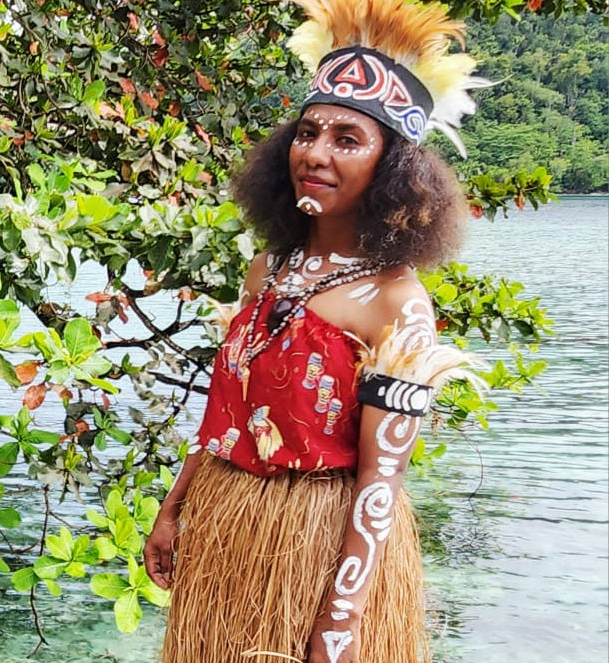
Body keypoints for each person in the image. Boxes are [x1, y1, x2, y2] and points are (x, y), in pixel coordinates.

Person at [142, 1, 488, 662]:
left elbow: (379, 485)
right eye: (308, 133)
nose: (316, 154)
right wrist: (172, 507)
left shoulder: (397, 302)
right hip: (227, 518)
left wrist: (339, 624)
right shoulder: (267, 270)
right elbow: (228, 410)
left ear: (392, 168)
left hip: (319, 542)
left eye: (347, 140)